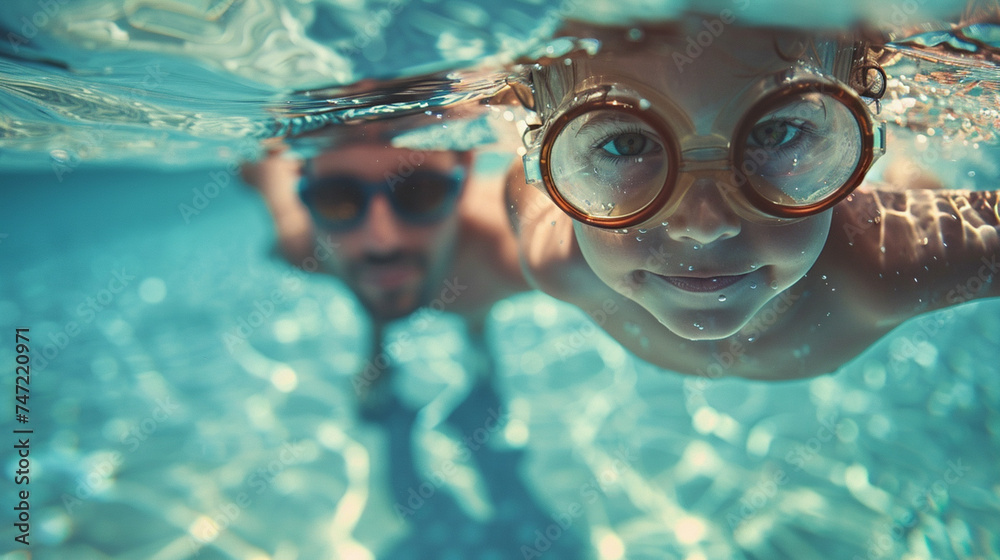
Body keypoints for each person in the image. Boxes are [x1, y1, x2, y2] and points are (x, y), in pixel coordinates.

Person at [505, 20, 1000, 380]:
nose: (704, 223)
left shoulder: (883, 267)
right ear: (550, 172)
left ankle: (914, 173)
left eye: (777, 132)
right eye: (627, 145)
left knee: (921, 185)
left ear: (858, 145)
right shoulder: (553, 260)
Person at [243, 110, 528, 404]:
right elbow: (260, 168)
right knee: (380, 285)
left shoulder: (502, 252)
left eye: (419, 193)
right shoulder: (301, 244)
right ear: (304, 188)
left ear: (466, 172)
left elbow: (563, 248)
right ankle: (379, 350)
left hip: (474, 288)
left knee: (472, 308)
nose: (381, 242)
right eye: (338, 201)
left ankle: (476, 340)